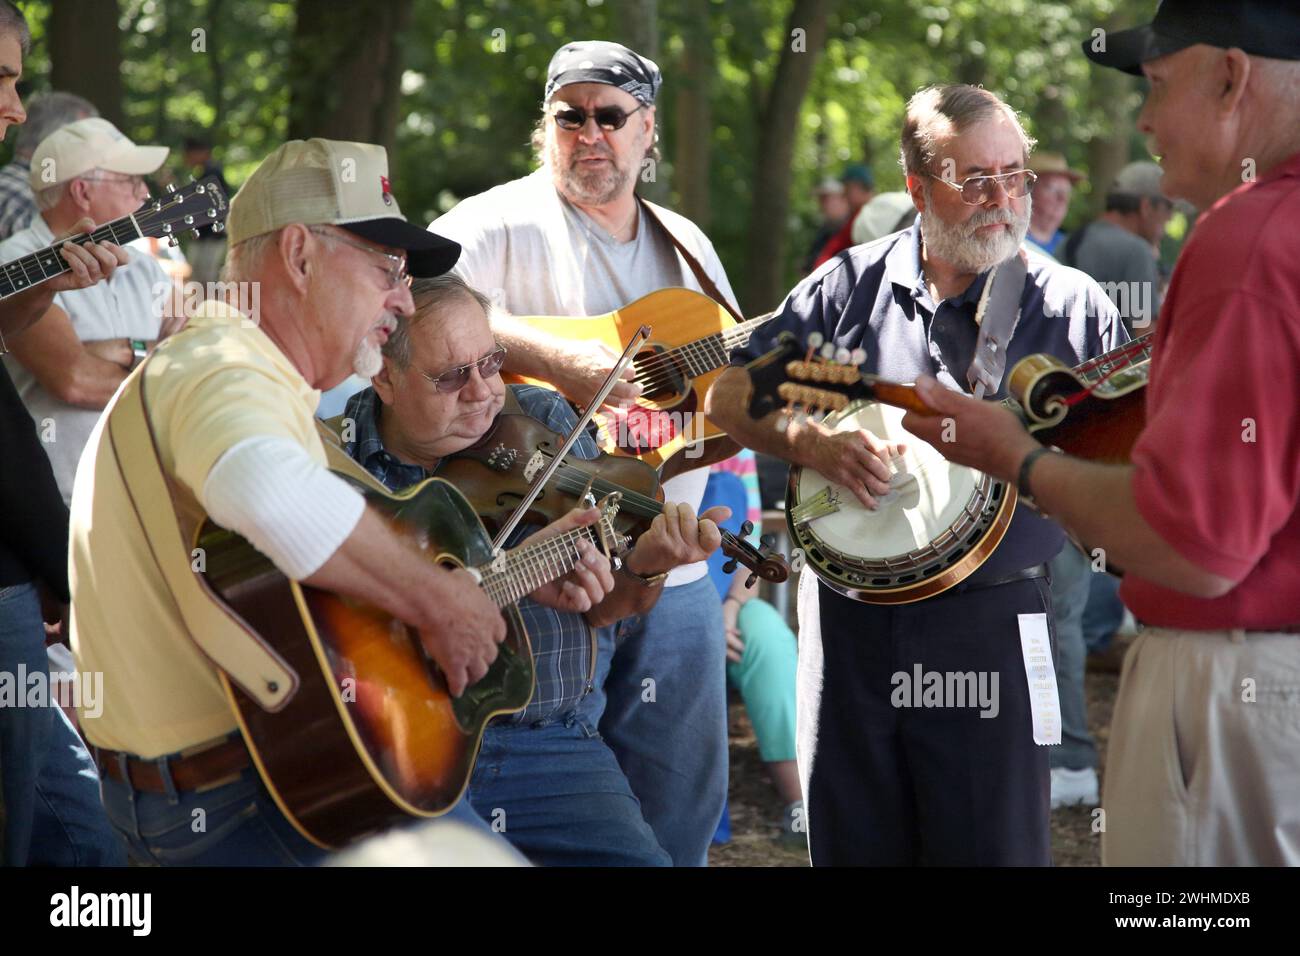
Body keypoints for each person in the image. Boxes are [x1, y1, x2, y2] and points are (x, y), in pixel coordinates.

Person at [68, 137, 611, 866]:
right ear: (298, 257)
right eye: (387, 270)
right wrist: (440, 603)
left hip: (261, 780)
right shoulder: (221, 365)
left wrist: (489, 581)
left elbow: (315, 592)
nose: (405, 299)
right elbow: (262, 488)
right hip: (249, 798)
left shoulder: (265, 387)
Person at [894, 0, 1300, 866]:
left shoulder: (1253, 235)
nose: (1144, 120)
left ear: (1230, 76)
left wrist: (1017, 457)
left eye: (1156, 84)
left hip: (1234, 691)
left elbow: (1193, 540)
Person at [707, 83, 1126, 866]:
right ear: (917, 185)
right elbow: (731, 391)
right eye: (975, 180)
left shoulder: (1073, 310)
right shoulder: (846, 288)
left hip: (993, 627)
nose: (1003, 199)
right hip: (847, 629)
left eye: (1015, 176)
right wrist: (813, 442)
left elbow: (1129, 467)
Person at [430, 39, 737, 867]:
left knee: (681, 785)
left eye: (611, 116)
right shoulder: (494, 222)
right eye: (571, 117)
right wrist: (562, 361)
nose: (590, 133)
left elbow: (724, 389)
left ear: (648, 132)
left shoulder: (687, 248)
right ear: (547, 128)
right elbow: (419, 300)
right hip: (542, 567)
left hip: (668, 552)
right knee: (560, 790)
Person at [336, 273, 726, 865]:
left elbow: (604, 607)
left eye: (490, 363)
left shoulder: (541, 418)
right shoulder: (334, 462)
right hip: (405, 752)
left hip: (550, 741)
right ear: (383, 376)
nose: (483, 393)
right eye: (450, 377)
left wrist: (646, 571)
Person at [0, 0, 132, 868]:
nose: (13, 107)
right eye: (0, 81)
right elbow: (72, 376)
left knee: (80, 844)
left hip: (18, 567)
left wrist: (44, 283)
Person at [1, 117, 183, 504]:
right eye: (132, 181)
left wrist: (117, 350)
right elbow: (76, 381)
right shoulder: (14, 261)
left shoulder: (145, 265)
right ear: (83, 192)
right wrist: (156, 357)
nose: (145, 193)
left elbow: (189, 353)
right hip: (62, 501)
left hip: (145, 495)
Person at [699, 450, 801, 840]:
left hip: (727, 600)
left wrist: (728, 611)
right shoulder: (623, 430)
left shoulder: (734, 451)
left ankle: (799, 804)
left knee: (770, 640)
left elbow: (751, 557)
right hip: (657, 602)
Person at [1059, 161, 1173, 333]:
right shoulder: (1136, 251)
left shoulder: (1071, 241)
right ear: (1146, 207)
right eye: (1168, 209)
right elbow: (1145, 338)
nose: (1170, 219)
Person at [0, 91, 97, 241]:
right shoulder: (25, 197)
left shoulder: (14, 185)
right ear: (55, 140)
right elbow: (48, 256)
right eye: (86, 140)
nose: (95, 153)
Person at [181, 133, 230, 286]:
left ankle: (208, 308)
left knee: (205, 279)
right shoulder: (208, 173)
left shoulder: (212, 173)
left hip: (211, 235)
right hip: (207, 235)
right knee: (201, 278)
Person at [810, 163, 875, 268]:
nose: (844, 195)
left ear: (857, 187)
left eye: (847, 189)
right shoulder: (855, 218)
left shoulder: (869, 215)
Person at [1024, 152, 1083, 257]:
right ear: (1027, 190)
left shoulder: (1071, 247)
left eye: (1067, 191)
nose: (1062, 198)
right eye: (1052, 188)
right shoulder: (1012, 243)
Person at [802, 177, 849, 273]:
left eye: (826, 199)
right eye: (820, 200)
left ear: (843, 199)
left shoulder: (853, 230)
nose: (822, 204)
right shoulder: (825, 231)